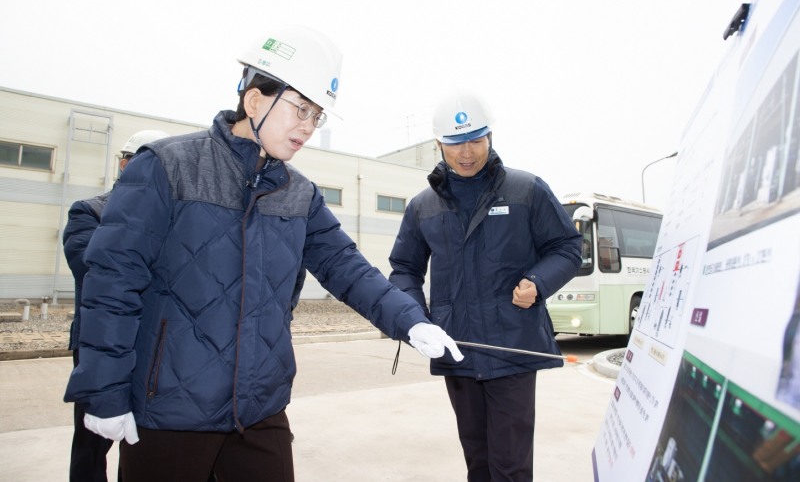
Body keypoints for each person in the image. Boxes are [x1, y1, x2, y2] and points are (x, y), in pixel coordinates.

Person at [63, 25, 463, 482]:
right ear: (255, 100)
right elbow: (112, 283)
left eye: (317, 116)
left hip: (259, 410)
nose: (308, 128)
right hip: (170, 410)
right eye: (300, 110)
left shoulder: (299, 193)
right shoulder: (167, 167)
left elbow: (346, 267)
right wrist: (105, 392)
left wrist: (410, 320)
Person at [388, 91, 582, 482]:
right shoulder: (423, 206)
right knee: (477, 461)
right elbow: (404, 270)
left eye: (476, 139)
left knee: (509, 466)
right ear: (439, 144)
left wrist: (538, 282)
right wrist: (415, 320)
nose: (467, 152)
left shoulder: (527, 190)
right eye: (456, 142)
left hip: (511, 345)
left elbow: (567, 247)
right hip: (457, 349)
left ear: (490, 137)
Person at [62, 129, 170, 482]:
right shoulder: (89, 212)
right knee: (92, 443)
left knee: (144, 440)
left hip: (154, 347)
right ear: (123, 165)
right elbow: (96, 270)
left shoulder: (172, 219)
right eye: (136, 162)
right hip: (102, 342)